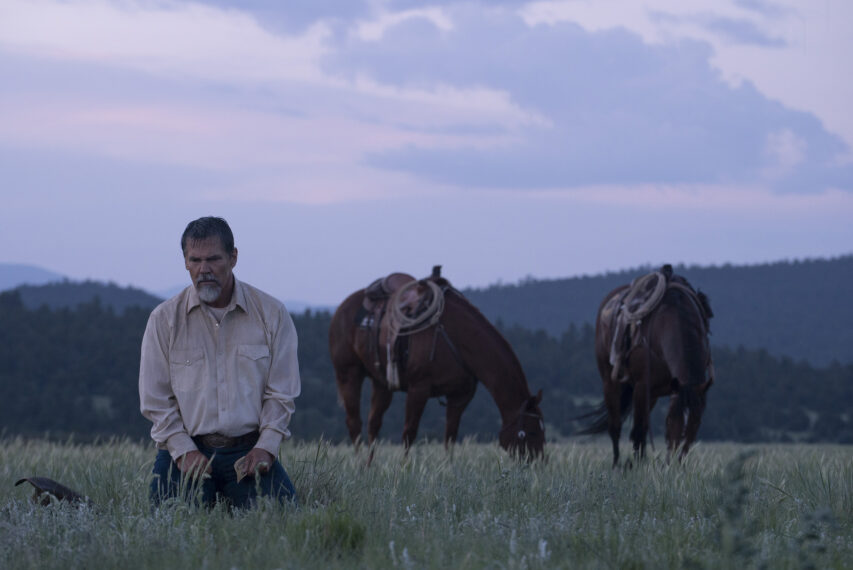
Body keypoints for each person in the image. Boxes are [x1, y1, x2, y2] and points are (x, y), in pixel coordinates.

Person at [139, 216, 300, 509]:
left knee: (285, 522)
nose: (204, 270)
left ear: (233, 257)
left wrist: (266, 447)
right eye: (195, 260)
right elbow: (155, 400)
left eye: (213, 259)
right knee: (167, 527)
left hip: (249, 451)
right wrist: (182, 450)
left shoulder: (271, 314)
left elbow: (282, 393)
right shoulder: (164, 320)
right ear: (185, 262)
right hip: (186, 451)